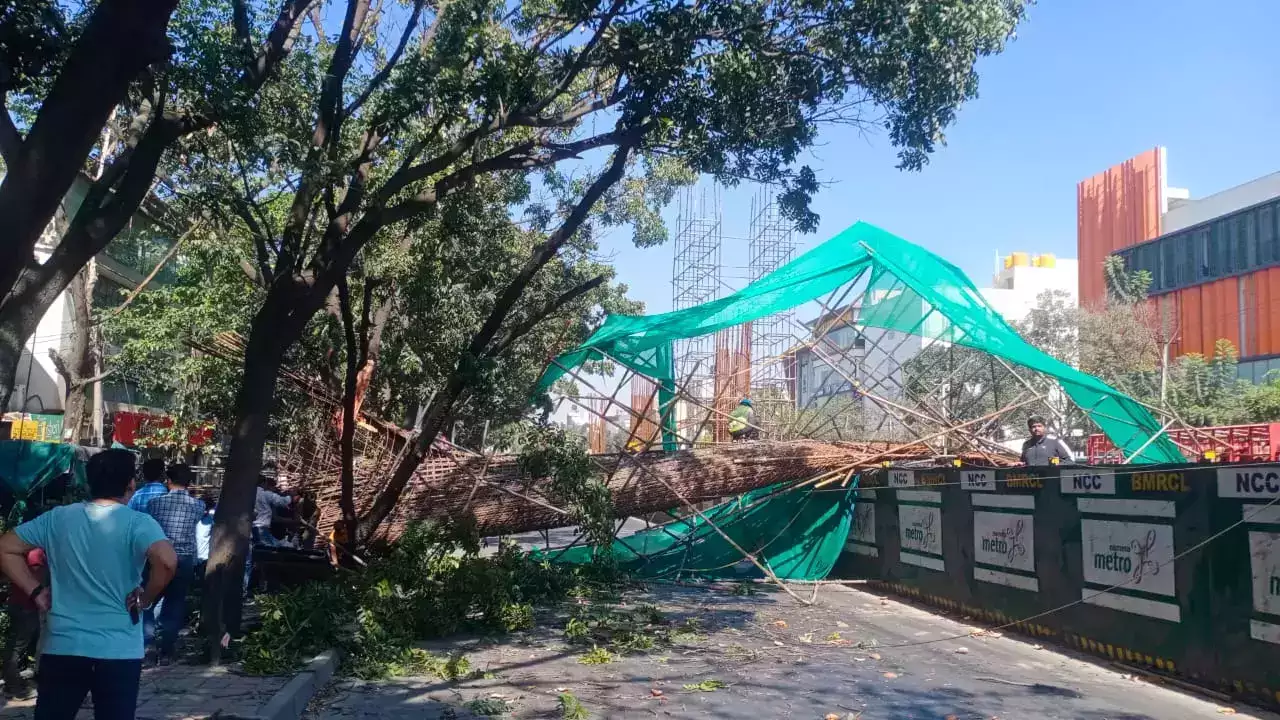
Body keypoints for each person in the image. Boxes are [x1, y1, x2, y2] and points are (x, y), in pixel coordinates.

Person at [0, 448, 177, 720]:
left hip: (64, 645)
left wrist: (34, 590)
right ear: (131, 484)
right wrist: (146, 598)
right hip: (118, 650)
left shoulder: (57, 518)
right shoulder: (139, 523)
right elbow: (166, 561)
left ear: (89, 483)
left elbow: (6, 547)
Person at [143, 464, 203, 664]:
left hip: (158, 557)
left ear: (168, 481)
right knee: (175, 603)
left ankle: (148, 647)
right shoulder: (198, 506)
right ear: (190, 483)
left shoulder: (154, 504)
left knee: (149, 601)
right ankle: (167, 649)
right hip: (184, 560)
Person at [2, 547, 47, 698]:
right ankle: (14, 687)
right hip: (26, 605)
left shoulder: (20, 552)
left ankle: (12, 683)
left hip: (19, 603)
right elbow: (37, 577)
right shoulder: (35, 552)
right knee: (17, 646)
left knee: (16, 644)